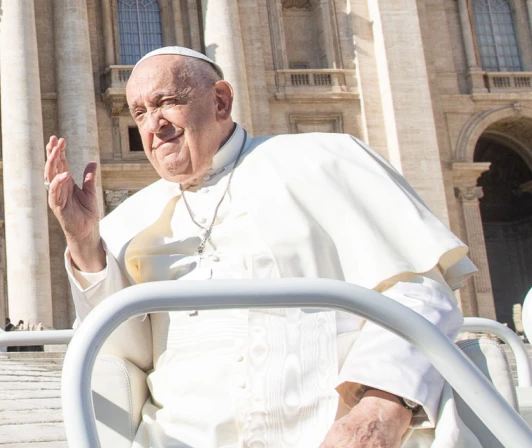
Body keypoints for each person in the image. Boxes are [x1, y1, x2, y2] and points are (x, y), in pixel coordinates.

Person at [45, 46, 480, 447]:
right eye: (139, 113)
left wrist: (377, 412)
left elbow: (420, 292)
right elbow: (128, 352)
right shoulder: (128, 220)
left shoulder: (324, 160)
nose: (153, 125)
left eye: (166, 103)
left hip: (332, 431)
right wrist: (85, 246)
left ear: (219, 101)